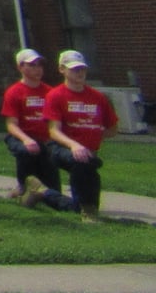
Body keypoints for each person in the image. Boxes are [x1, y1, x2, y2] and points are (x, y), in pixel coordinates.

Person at [44, 49, 118, 221]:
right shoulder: (55, 95)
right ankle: (88, 209)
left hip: (87, 153)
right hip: (60, 148)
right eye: (74, 69)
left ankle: (43, 193)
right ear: (62, 69)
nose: (80, 73)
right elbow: (53, 131)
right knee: (83, 162)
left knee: (86, 167)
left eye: (82, 69)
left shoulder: (97, 97)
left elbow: (112, 129)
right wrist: (74, 145)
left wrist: (93, 136)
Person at [3, 48, 79, 213]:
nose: (37, 69)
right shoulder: (14, 92)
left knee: (53, 189)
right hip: (23, 137)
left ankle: (35, 194)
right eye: (32, 65)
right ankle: (23, 185)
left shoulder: (50, 92)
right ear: (20, 67)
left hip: (47, 141)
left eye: (39, 65)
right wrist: (26, 139)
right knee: (26, 150)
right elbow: (11, 124)